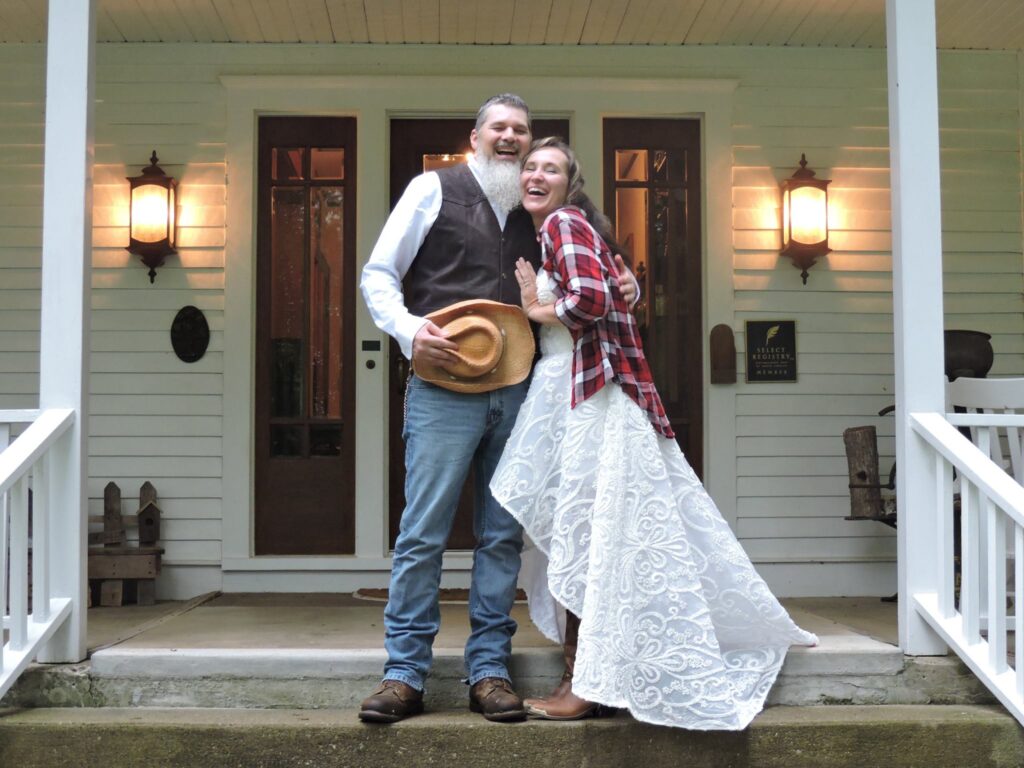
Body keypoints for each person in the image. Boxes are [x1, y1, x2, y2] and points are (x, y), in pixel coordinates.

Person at [490, 137, 818, 730]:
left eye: (552, 169)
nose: (538, 175)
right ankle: (595, 674)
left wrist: (540, 311)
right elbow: (613, 294)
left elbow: (588, 300)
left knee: (587, 535)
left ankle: (582, 682)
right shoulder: (575, 227)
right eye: (531, 167)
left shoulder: (562, 223)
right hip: (591, 391)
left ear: (569, 183)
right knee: (606, 535)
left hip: (584, 395)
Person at [359, 95, 637, 724]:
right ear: (476, 136)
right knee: (421, 532)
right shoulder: (432, 189)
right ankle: (404, 674)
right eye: (500, 128)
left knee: (501, 535)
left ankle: (489, 670)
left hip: (520, 391)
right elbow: (379, 273)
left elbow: (611, 270)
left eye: (521, 131)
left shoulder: (553, 208)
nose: (511, 139)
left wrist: (632, 286)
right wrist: (407, 331)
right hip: (441, 388)